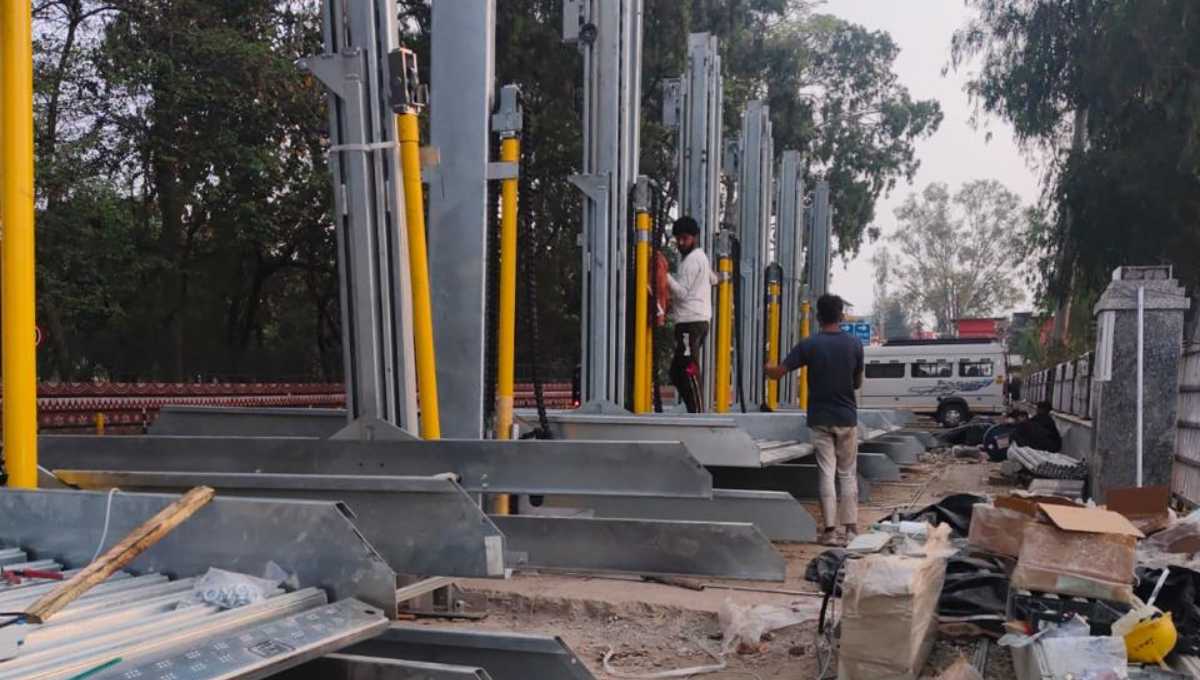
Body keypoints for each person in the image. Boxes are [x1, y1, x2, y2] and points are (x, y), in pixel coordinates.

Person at [765, 294, 864, 546]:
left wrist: (767, 368)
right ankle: (851, 530)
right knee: (847, 473)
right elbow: (857, 383)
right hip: (846, 417)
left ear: (818, 316)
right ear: (841, 316)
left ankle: (829, 531)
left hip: (820, 418)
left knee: (826, 472)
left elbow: (778, 373)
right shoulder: (854, 344)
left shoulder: (809, 345)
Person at [665, 216, 715, 413]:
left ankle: (698, 413)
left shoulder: (692, 261)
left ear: (694, 237)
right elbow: (713, 279)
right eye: (678, 238)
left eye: (684, 238)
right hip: (696, 320)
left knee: (688, 367)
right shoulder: (701, 258)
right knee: (677, 372)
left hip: (690, 322)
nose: (680, 243)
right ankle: (693, 409)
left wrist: (664, 275)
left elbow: (682, 293)